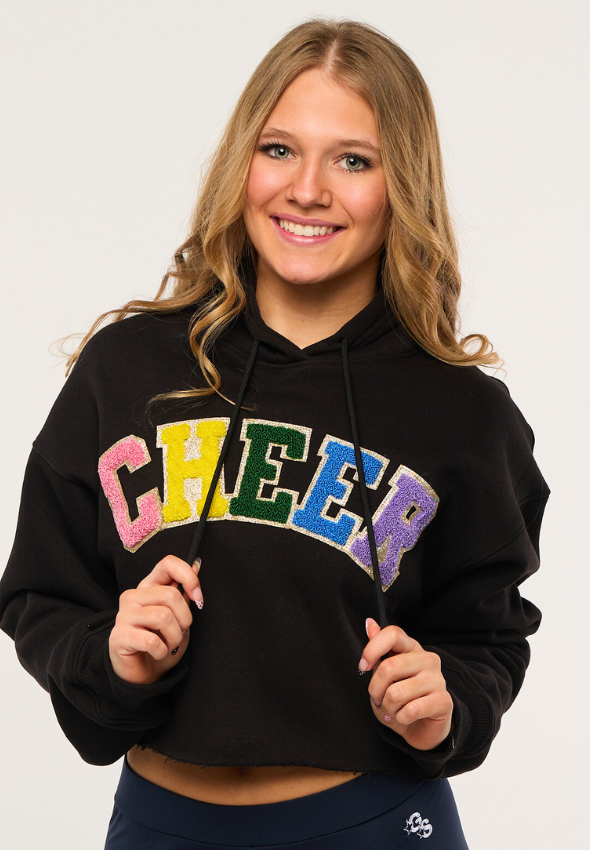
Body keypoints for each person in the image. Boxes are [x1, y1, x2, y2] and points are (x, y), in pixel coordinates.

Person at [0, 17, 549, 850]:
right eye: (280, 149)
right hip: (161, 823)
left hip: (373, 824)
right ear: (241, 165)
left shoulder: (465, 414)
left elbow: (488, 641)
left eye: (353, 160)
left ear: (402, 184)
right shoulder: (128, 369)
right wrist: (111, 655)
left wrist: (445, 705)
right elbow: (40, 595)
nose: (307, 189)